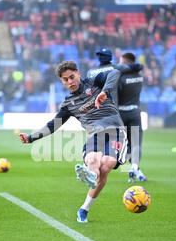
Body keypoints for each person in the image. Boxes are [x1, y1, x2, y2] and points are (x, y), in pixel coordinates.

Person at [19, 61, 128, 223]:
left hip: (115, 132)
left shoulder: (94, 81)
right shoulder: (69, 104)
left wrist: (105, 91)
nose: (70, 81)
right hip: (95, 136)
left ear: (78, 73)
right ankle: (90, 177)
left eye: (72, 77)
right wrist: (31, 138)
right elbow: (53, 125)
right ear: (62, 82)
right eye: (65, 79)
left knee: (107, 163)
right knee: (92, 160)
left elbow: (115, 73)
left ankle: (85, 204)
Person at [117, 52, 147, 182]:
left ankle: (134, 168)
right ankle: (135, 167)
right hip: (135, 113)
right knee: (136, 144)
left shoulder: (120, 77)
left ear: (125, 62)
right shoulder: (139, 76)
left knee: (124, 144)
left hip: (121, 115)